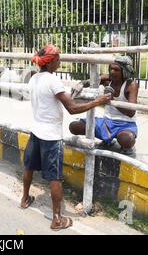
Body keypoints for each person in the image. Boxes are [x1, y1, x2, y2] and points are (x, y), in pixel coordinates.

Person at [21, 45, 111, 231]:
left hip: (36, 130)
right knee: (55, 178)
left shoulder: (34, 78)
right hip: (51, 136)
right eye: (58, 59)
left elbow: (54, 98)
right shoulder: (53, 81)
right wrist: (97, 102)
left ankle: (24, 199)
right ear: (52, 62)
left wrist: (71, 92)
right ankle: (57, 219)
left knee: (29, 165)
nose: (60, 62)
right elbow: (72, 108)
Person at [69, 56, 139, 156]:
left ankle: (126, 147)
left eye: (117, 70)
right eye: (111, 69)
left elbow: (131, 112)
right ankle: (108, 140)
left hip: (125, 124)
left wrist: (112, 99)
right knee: (74, 126)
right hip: (106, 121)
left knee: (126, 139)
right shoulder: (107, 79)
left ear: (125, 72)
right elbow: (92, 81)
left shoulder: (131, 85)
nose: (113, 72)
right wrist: (81, 84)